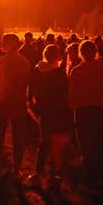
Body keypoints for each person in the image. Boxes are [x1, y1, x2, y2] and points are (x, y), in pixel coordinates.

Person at [27, 44, 73, 192]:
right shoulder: (59, 73)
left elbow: (32, 89)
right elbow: (67, 92)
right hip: (58, 110)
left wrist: (35, 103)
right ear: (57, 56)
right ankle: (54, 175)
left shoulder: (37, 69)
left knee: (44, 141)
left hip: (44, 110)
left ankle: (39, 173)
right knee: (56, 143)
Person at [68, 40, 103, 190]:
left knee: (86, 146)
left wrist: (71, 110)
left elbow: (72, 94)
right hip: (98, 110)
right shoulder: (101, 70)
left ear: (80, 53)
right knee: (98, 145)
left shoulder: (76, 71)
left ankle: (90, 180)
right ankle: (101, 178)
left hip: (83, 110)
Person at [0, 33, 31, 178]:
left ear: (8, 44)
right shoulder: (25, 61)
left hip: (4, 104)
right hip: (19, 103)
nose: (0, 43)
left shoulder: (1, 62)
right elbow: (26, 82)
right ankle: (17, 168)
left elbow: (4, 85)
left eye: (3, 41)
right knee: (18, 138)